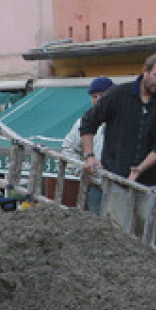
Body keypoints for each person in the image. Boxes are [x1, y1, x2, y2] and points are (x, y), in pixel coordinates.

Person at [79, 52, 156, 228]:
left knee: (145, 231)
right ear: (145, 71)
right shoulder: (118, 94)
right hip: (115, 174)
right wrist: (89, 155)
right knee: (119, 231)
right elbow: (88, 122)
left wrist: (140, 169)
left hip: (148, 180)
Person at [61, 76, 114, 213]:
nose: (98, 99)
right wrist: (83, 171)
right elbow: (68, 148)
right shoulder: (83, 122)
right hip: (97, 187)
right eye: (94, 96)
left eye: (102, 95)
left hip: (123, 187)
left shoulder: (124, 121)